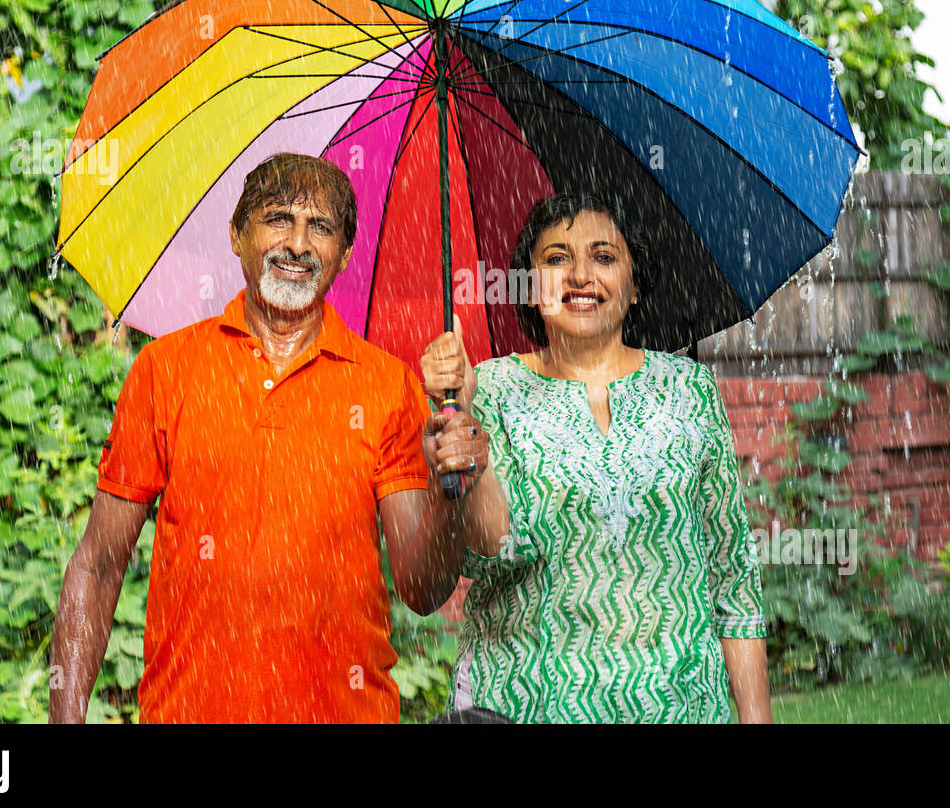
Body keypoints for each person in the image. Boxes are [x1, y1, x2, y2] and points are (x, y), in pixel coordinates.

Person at [50, 153, 508, 723]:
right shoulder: (166, 369)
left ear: (343, 254)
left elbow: (423, 588)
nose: (297, 243)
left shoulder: (389, 385)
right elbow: (97, 564)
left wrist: (448, 494)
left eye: (321, 227)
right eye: (277, 218)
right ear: (238, 236)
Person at [420, 192, 771, 723]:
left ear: (633, 285)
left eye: (604, 257)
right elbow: (494, 546)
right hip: (527, 704)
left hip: (682, 708)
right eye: (556, 259)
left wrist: (757, 719)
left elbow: (733, 578)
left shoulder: (689, 389)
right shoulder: (487, 389)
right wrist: (464, 423)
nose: (580, 274)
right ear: (530, 288)